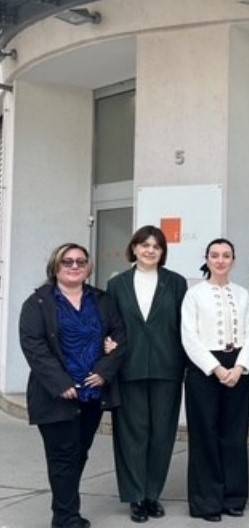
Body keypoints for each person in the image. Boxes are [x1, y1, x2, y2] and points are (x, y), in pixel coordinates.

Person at [19, 242, 126, 528]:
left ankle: (65, 509)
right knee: (62, 456)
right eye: (67, 261)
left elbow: (120, 336)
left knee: (79, 452)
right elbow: (34, 347)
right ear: (55, 267)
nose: (75, 266)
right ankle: (65, 517)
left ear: (88, 268)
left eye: (81, 261)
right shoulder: (38, 303)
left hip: (92, 393)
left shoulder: (102, 300)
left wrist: (104, 371)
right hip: (57, 395)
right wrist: (61, 383)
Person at [107, 225, 187, 523]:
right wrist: (108, 344)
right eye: (145, 245)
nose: (150, 250)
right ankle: (135, 496)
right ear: (134, 248)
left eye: (156, 246)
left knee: (162, 433)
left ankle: (153, 494)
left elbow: (184, 326)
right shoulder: (117, 284)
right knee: (131, 435)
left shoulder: (176, 283)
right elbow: (111, 324)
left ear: (162, 251)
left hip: (168, 368)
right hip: (129, 367)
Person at [181, 238, 249, 522]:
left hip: (238, 367)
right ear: (207, 259)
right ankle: (206, 502)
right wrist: (216, 369)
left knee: (235, 435)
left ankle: (234, 497)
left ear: (233, 260)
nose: (221, 260)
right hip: (205, 369)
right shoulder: (194, 294)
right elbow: (189, 336)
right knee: (205, 436)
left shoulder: (242, 294)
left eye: (226, 255)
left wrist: (240, 367)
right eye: (215, 255)